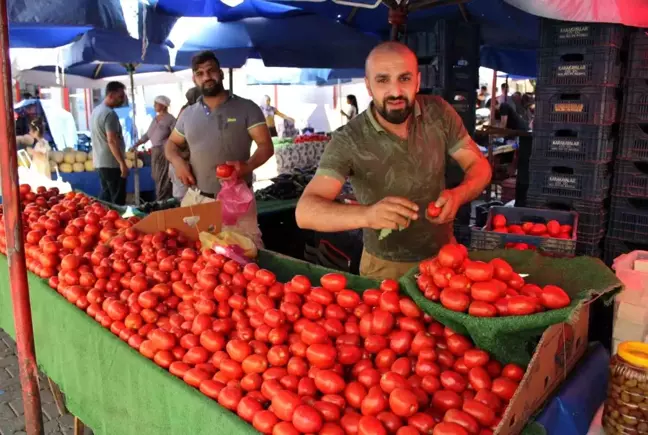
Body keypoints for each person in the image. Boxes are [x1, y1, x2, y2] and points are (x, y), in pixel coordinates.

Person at [295, 42, 492, 280]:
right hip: (385, 268)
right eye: (383, 80)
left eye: (405, 79)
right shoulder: (349, 139)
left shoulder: (439, 113)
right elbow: (305, 212)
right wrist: (367, 215)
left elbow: (479, 166)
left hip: (446, 259)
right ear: (368, 85)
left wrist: (459, 194)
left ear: (417, 81)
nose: (396, 91)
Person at [165, 50, 274, 201]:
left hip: (237, 199)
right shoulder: (187, 114)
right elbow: (171, 143)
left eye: (211, 71)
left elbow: (266, 146)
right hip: (198, 198)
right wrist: (178, 162)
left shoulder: (247, 108)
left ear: (221, 73)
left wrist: (247, 166)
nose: (207, 77)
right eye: (200, 74)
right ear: (194, 79)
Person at [91, 81, 129, 205]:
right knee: (116, 201)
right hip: (111, 163)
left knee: (106, 198)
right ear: (111, 95)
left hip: (100, 162)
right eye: (120, 96)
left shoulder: (96, 111)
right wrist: (122, 163)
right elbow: (112, 140)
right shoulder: (109, 114)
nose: (122, 100)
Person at [132, 95, 175, 201]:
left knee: (163, 177)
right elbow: (147, 134)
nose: (154, 105)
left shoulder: (170, 119)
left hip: (164, 151)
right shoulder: (155, 119)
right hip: (155, 151)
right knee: (156, 176)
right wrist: (137, 144)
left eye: (156, 103)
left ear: (163, 106)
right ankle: (160, 199)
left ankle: (163, 200)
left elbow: (175, 136)